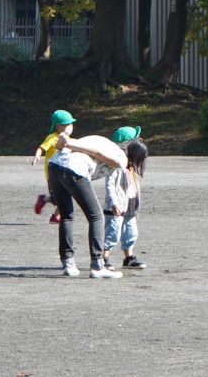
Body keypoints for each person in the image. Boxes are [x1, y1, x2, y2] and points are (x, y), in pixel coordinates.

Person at [47, 130, 128, 278]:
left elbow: (62, 146)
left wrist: (67, 142)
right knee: (96, 216)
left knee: (66, 216)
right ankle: (97, 265)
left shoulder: (98, 138)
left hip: (54, 165)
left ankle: (68, 264)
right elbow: (104, 156)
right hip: (73, 169)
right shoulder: (121, 156)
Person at [103, 125, 146, 272]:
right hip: (116, 205)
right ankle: (103, 257)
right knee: (112, 232)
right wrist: (113, 203)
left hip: (130, 204)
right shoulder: (114, 164)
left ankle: (129, 257)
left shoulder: (131, 164)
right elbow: (109, 185)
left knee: (131, 232)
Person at [32, 109, 75, 217]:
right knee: (57, 199)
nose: (70, 126)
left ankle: (56, 217)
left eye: (71, 123)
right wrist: (37, 156)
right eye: (67, 124)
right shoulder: (52, 138)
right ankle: (43, 199)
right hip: (52, 174)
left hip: (64, 171)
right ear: (58, 126)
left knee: (66, 195)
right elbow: (41, 148)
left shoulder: (67, 137)